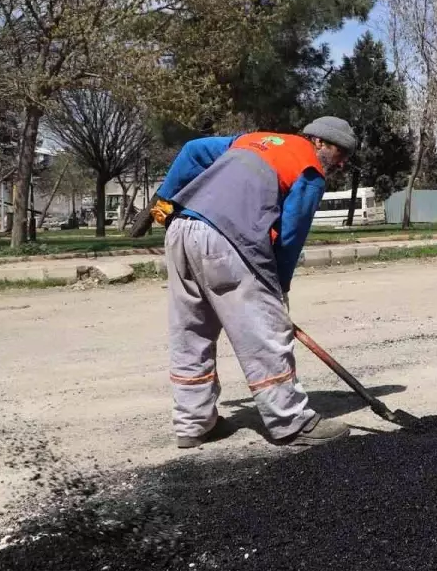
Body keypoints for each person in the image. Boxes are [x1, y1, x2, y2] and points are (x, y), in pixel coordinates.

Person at [147, 118, 358, 449]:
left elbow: (192, 150)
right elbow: (289, 237)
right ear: (317, 142)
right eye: (340, 152)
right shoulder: (309, 171)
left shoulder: (253, 140)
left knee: (191, 331)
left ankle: (193, 423)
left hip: (182, 230)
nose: (342, 162)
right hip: (227, 238)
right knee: (267, 331)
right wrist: (278, 290)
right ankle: (291, 422)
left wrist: (163, 198)